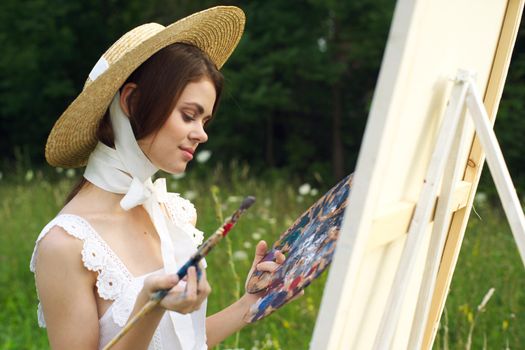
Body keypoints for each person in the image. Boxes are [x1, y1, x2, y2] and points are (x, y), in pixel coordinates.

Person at [29, 6, 285, 350]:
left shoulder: (176, 214)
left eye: (205, 121)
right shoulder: (64, 245)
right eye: (189, 115)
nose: (201, 134)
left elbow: (185, 342)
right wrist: (148, 309)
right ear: (132, 101)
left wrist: (251, 302)